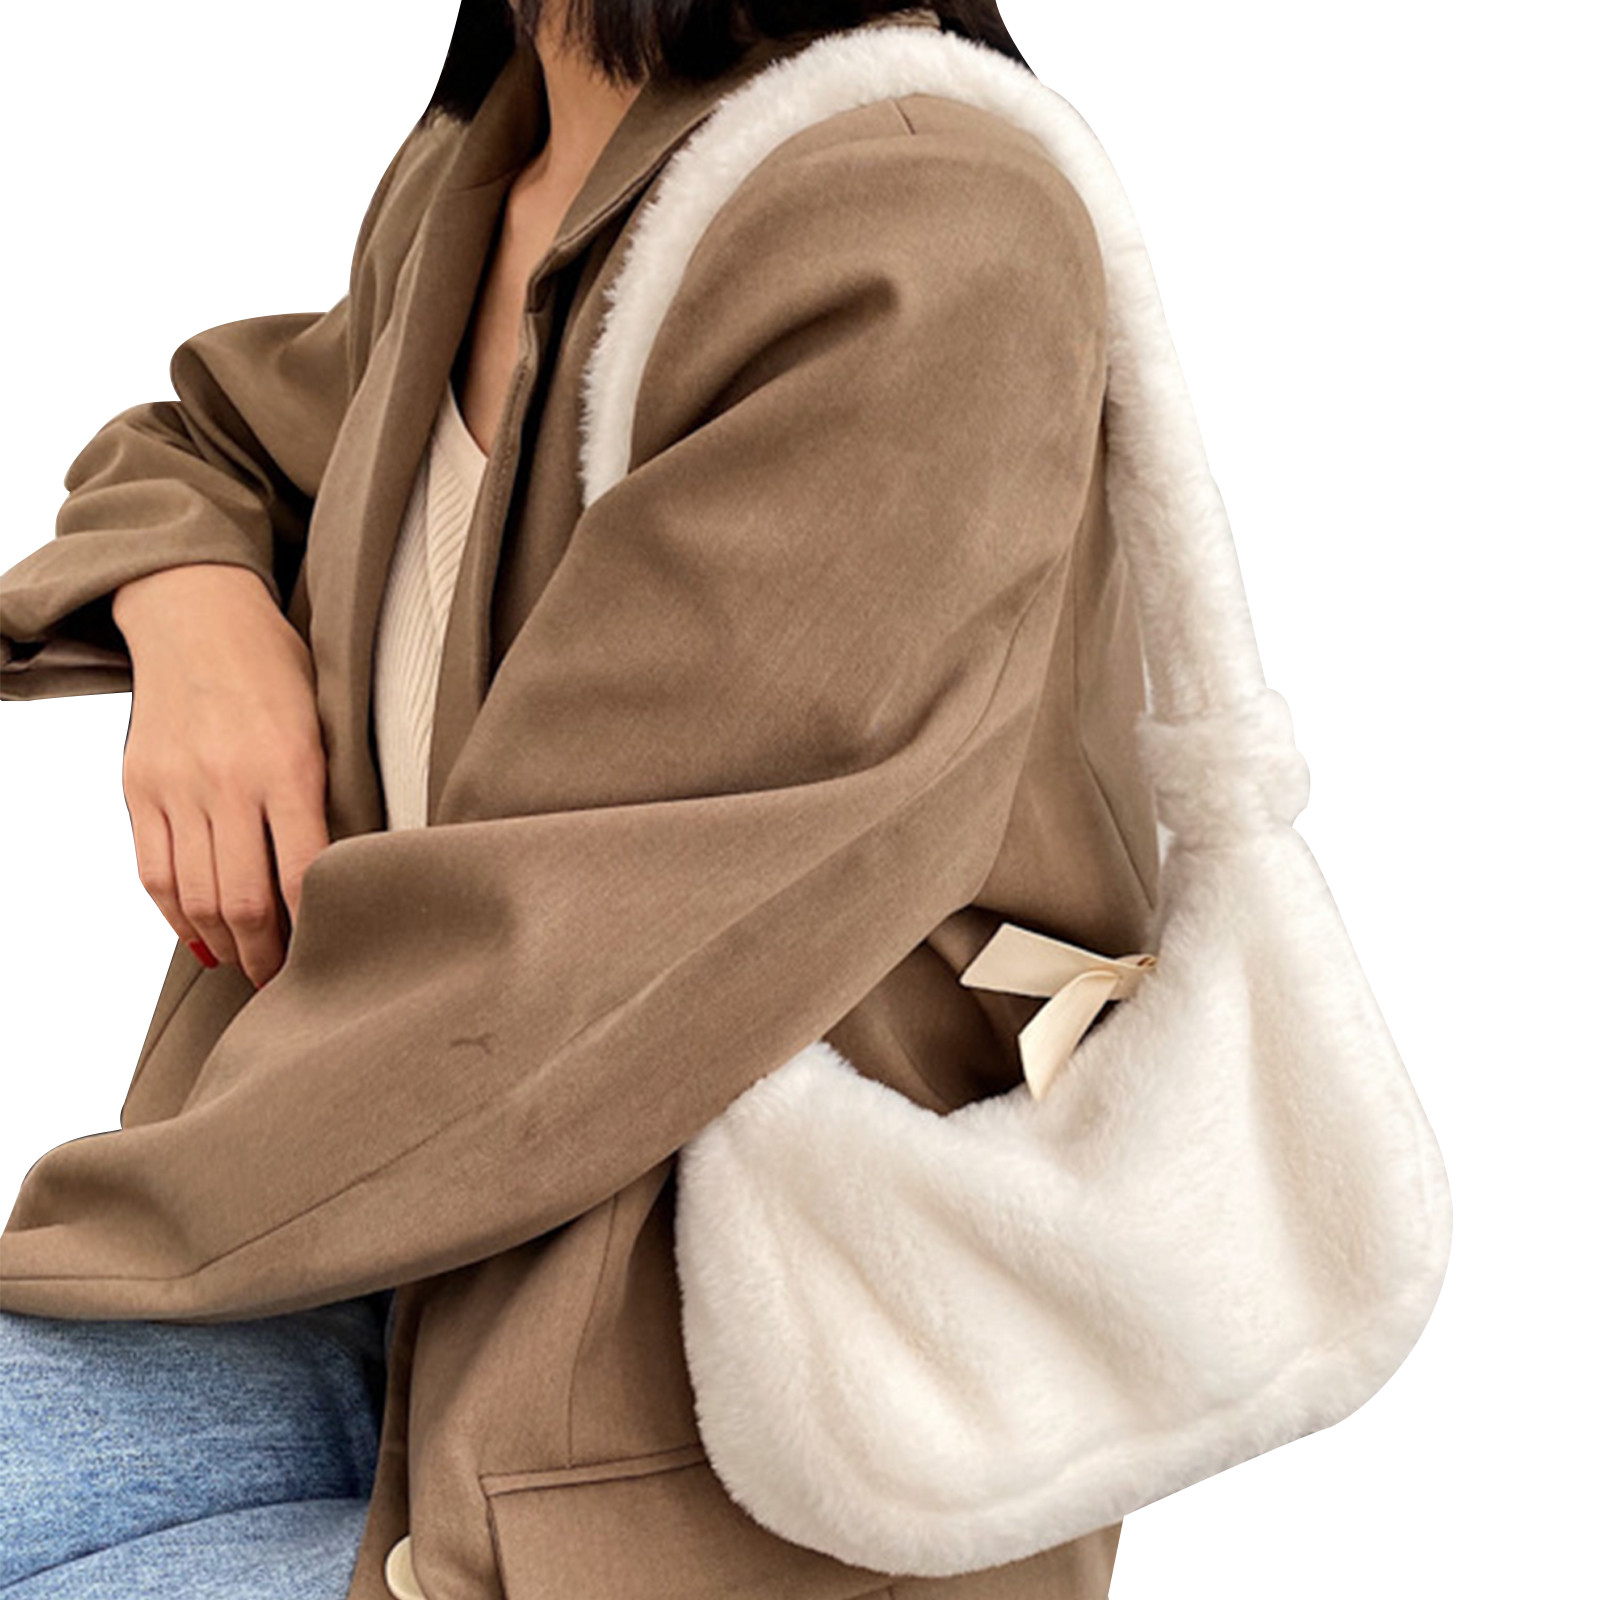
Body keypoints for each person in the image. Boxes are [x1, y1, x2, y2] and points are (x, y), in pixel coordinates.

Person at [0, 2, 1158, 1596]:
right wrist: (192, 606)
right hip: (377, 1277)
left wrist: (80, 1235)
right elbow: (227, 437)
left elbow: (547, 970)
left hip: (701, 1428)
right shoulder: (487, 171)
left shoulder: (918, 216)